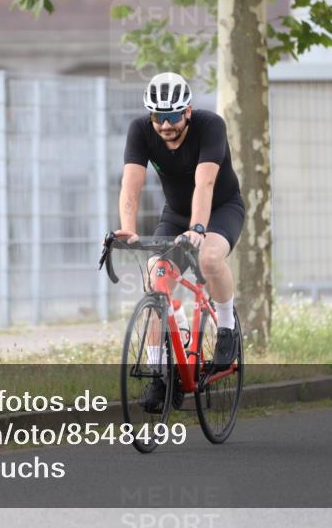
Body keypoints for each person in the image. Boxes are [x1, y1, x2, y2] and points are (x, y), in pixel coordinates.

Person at [114, 72, 245, 412]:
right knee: (156, 279)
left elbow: (205, 184)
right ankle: (162, 373)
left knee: (210, 259)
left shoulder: (210, 125)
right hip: (175, 213)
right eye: (159, 117)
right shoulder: (140, 131)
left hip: (220, 209)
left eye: (173, 116)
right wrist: (128, 229)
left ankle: (227, 327)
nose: (166, 125)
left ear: (187, 111)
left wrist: (199, 228)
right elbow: (131, 186)